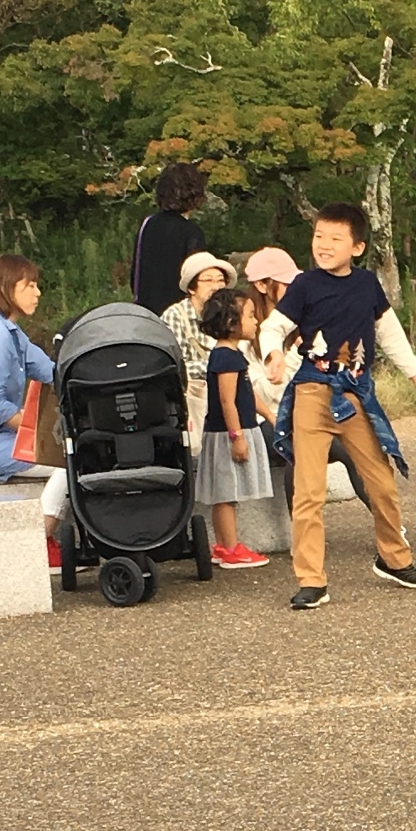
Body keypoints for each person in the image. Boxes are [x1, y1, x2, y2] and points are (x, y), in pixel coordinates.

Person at [257, 202, 416, 611]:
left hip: (357, 395)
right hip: (311, 393)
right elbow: (273, 325)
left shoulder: (367, 285)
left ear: (357, 247)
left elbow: (389, 330)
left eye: (335, 238)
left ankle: (394, 559)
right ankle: (311, 580)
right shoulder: (305, 285)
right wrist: (273, 354)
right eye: (318, 237)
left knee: (381, 483)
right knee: (309, 492)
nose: (323, 245)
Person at [244, 245, 371, 518]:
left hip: (309, 411)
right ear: (263, 286)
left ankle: (390, 526)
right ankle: (299, 531)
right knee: (299, 449)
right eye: (287, 284)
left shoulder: (305, 320)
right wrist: (293, 354)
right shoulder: (246, 328)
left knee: (354, 447)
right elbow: (265, 391)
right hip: (264, 422)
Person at [0, 253, 66, 562]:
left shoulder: (10, 331)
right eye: (31, 285)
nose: (38, 293)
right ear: (8, 287)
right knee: (69, 463)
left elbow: (52, 372)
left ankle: (43, 544)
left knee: (71, 452)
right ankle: (36, 545)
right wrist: (37, 432)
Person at [194, 287, 272, 570]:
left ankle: (225, 545)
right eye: (250, 316)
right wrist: (237, 437)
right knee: (226, 494)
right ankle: (230, 548)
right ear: (230, 324)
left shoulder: (231, 356)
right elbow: (228, 401)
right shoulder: (226, 357)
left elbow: (247, 394)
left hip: (230, 430)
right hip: (228, 434)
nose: (256, 322)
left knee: (226, 493)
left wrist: (270, 416)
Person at [132, 162, 209, 315]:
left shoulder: (147, 224)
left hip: (145, 314)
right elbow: (196, 283)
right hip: (178, 316)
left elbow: (135, 276)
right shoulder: (192, 232)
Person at [162, 250, 237, 381]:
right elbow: (177, 368)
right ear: (191, 288)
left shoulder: (232, 313)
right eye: (208, 280)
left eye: (220, 280)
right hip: (195, 394)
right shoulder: (176, 316)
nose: (216, 287)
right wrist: (221, 365)